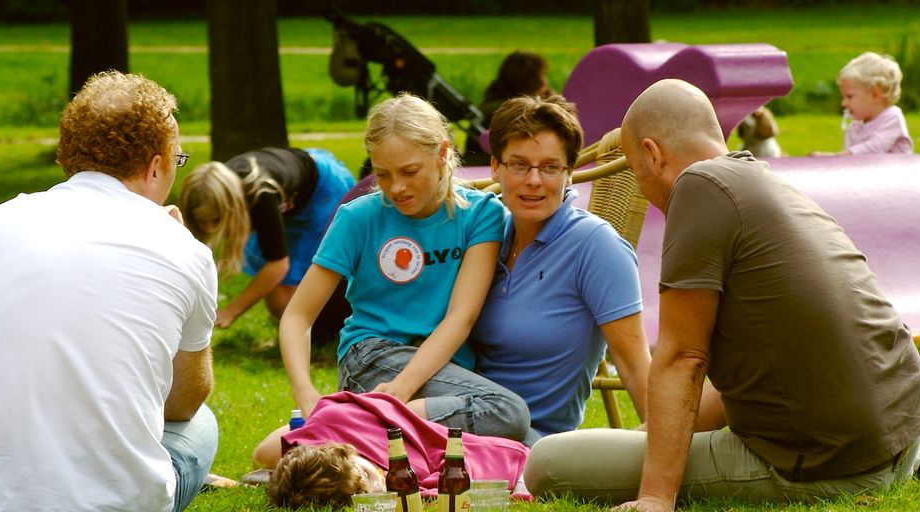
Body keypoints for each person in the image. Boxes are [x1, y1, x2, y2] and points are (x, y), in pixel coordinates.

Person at [523, 79, 920, 511]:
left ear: (653, 154)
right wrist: (643, 440)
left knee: (549, 463)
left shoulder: (698, 187)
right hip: (896, 436)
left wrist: (656, 496)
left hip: (830, 465)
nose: (643, 188)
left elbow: (683, 357)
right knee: (621, 446)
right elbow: (735, 381)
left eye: (637, 173)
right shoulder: (763, 182)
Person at [0, 71, 218, 511]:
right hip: (116, 501)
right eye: (178, 160)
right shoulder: (184, 249)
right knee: (202, 425)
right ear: (156, 164)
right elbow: (183, 401)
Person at [279, 93, 530, 442]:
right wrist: (305, 392)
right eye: (382, 174)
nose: (396, 187)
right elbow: (298, 316)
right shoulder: (358, 217)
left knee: (520, 436)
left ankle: (343, 429)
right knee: (507, 413)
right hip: (372, 358)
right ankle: (350, 425)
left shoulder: (480, 214)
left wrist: (400, 391)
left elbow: (462, 315)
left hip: (439, 367)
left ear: (442, 153)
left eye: (410, 171)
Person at [470, 95, 650, 445]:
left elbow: (634, 366)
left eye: (550, 167)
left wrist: (663, 475)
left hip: (533, 441)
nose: (534, 180)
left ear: (569, 173)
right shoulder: (487, 239)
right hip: (458, 415)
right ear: (495, 167)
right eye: (519, 165)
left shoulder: (595, 246)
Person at [177, 147, 355, 338]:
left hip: (323, 190)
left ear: (231, 207)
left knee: (288, 294)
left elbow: (278, 265)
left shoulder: (262, 195)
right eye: (201, 222)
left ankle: (326, 331)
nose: (210, 229)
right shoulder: (218, 189)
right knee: (279, 298)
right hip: (293, 189)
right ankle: (303, 328)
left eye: (216, 220)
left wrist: (231, 311)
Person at [253, 391, 530, 508]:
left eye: (367, 473)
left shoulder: (335, 427)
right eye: (371, 493)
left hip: (421, 410)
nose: (379, 480)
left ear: (346, 452)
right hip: (525, 457)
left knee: (513, 416)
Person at [463, 50, 554, 165]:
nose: (546, 82)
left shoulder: (491, 105)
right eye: (543, 76)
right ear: (533, 81)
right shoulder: (514, 112)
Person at [813, 51, 913, 155]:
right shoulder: (855, 126)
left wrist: (835, 157)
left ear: (875, 94)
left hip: (896, 170)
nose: (844, 103)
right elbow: (850, 161)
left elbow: (875, 148)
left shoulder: (892, 117)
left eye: (849, 97)